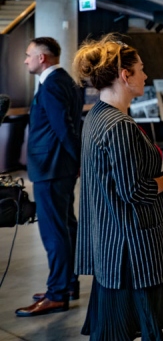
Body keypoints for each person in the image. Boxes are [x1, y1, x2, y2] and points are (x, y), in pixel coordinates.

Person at [73, 35, 163, 340]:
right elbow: (134, 191)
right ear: (125, 76)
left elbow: (119, 180)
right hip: (132, 249)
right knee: (138, 326)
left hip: (110, 243)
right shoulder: (119, 126)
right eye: (141, 69)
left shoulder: (97, 115)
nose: (145, 75)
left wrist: (162, 177)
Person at [16, 38, 83, 317]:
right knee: (65, 227)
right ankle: (67, 284)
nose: (25, 60)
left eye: (29, 55)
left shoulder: (53, 83)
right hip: (58, 168)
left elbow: (63, 127)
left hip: (52, 169)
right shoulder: (64, 80)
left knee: (54, 232)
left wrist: (76, 160)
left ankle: (57, 294)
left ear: (42, 58)